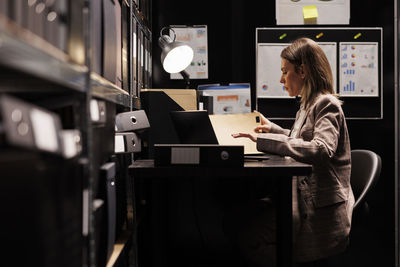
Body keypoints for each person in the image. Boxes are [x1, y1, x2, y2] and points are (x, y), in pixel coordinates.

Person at [225, 37, 354, 266]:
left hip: (320, 211)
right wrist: (272, 129)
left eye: (285, 71)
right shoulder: (308, 105)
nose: (281, 79)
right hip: (303, 200)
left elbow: (321, 149)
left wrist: (264, 139)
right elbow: (301, 139)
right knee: (244, 222)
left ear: (302, 71)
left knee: (250, 239)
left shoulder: (326, 104)